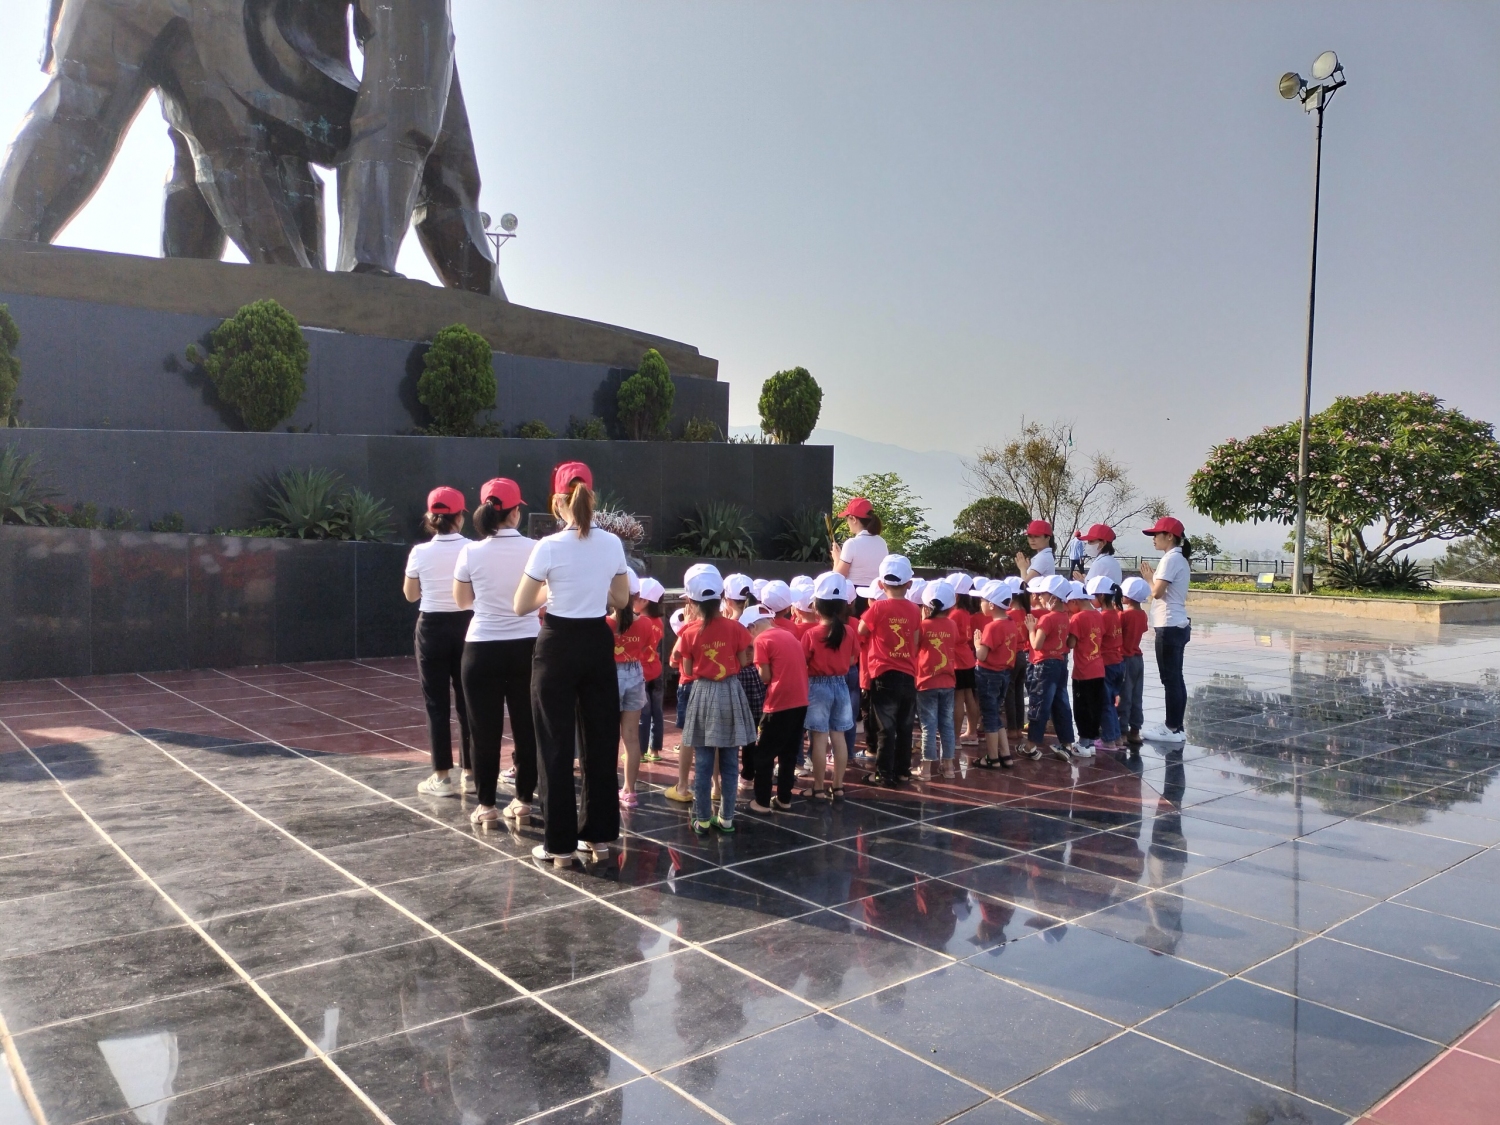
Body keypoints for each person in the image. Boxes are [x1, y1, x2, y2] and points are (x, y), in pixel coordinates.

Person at [512, 461, 631, 868]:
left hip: (558, 644)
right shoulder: (612, 544)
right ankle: (598, 837)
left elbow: (521, 604)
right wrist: (592, 587)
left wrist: (552, 588)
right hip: (596, 642)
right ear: (592, 498)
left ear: (557, 501)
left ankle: (559, 846)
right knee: (600, 741)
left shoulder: (547, 546)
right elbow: (621, 600)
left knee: (555, 744)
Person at [453, 478, 540, 826]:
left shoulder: (470, 551)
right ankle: (523, 800)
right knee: (528, 727)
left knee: (482, 730)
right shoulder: (536, 548)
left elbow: (462, 601)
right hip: (528, 646)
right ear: (516, 512)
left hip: (481, 648)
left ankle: (486, 805)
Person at [404, 486, 474, 797]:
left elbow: (410, 595)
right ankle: (471, 773)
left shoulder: (419, 552)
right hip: (468, 625)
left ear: (431, 518)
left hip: (431, 627)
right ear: (461, 516)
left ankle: (442, 777)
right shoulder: (472, 548)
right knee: (468, 700)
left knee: (436, 703)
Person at [678, 567, 756, 835]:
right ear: (722, 597)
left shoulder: (688, 632)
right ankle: (727, 818)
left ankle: (701, 819)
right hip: (731, 691)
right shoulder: (735, 628)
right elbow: (744, 658)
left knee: (703, 761)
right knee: (731, 760)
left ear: (691, 602)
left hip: (702, 693)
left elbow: (687, 669)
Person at [859, 555, 922, 785]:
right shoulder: (914, 610)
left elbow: (861, 630)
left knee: (885, 727)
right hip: (908, 674)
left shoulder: (877, 608)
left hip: (883, 674)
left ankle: (884, 774)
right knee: (905, 726)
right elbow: (916, 641)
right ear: (909, 584)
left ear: (880, 584)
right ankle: (903, 771)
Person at [745, 603, 809, 812]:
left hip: (778, 703)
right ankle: (784, 799)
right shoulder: (789, 635)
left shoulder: (762, 640)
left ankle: (762, 801)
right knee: (788, 754)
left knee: (764, 754)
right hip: (800, 700)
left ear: (753, 627)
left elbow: (765, 676)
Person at [802, 572, 859, 799]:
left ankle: (818, 788)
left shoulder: (811, 634)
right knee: (839, 737)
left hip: (817, 687)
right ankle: (838, 786)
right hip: (841, 685)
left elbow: (803, 662)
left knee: (818, 738)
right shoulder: (850, 632)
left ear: (816, 606)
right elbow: (853, 660)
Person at [1140, 517, 1191, 743]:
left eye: (1156, 534)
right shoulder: (1177, 558)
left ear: (1170, 536)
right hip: (1175, 623)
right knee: (1175, 678)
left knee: (1170, 679)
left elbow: (1157, 592)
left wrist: (1149, 578)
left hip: (1169, 625)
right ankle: (1176, 727)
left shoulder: (1170, 559)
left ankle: (1171, 728)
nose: (1153, 539)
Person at [1022, 575, 1077, 762]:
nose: (1039, 597)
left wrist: (1031, 628)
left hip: (1044, 665)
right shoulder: (1065, 617)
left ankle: (1031, 745)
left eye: (1042, 594)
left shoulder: (1047, 619)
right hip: (1060, 663)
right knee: (1061, 703)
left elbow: (1036, 645)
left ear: (1053, 597)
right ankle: (1067, 744)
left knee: (1039, 704)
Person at [972, 579, 1024, 769]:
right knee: (995, 713)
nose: (981, 604)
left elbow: (982, 655)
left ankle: (992, 757)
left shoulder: (992, 627)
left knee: (989, 716)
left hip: (988, 674)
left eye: (983, 601)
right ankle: (1005, 754)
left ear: (992, 605)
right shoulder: (1010, 623)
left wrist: (977, 644)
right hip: (1004, 674)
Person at [611, 570, 650, 808]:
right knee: (631, 737)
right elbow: (644, 648)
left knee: (607, 737)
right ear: (636, 596)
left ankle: (605, 787)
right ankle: (629, 790)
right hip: (635, 674)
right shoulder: (645, 623)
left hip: (609, 675)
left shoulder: (605, 623)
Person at [915, 579, 960, 779]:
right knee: (947, 725)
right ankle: (949, 767)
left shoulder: (923, 626)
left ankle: (925, 769)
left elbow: (914, 648)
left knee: (928, 726)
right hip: (948, 681)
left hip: (926, 682)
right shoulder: (952, 625)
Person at [1067, 580, 1105, 758]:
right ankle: (1090, 742)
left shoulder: (1077, 618)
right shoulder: (1098, 615)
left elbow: (1071, 643)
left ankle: (1083, 742)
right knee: (1095, 706)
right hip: (1098, 669)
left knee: (1082, 707)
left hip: (1083, 671)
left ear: (1074, 601)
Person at [662, 605, 696, 803]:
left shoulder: (687, 633)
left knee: (688, 737)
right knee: (713, 737)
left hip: (689, 684)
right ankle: (716, 787)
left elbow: (674, 660)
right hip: (713, 684)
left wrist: (686, 629)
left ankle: (682, 786)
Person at [945, 573, 982, 751]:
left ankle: (955, 738)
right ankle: (972, 732)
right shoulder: (966, 613)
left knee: (958, 698)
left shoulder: (954, 614)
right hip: (967, 658)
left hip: (958, 660)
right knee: (969, 696)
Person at [1090, 574, 1126, 753]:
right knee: (1111, 702)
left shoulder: (1102, 617)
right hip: (1118, 663)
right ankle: (1117, 738)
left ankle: (1109, 740)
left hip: (1106, 664)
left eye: (1093, 596)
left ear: (1101, 596)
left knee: (1105, 703)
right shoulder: (1115, 614)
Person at [636, 578, 667, 764]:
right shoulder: (658, 622)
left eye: (635, 597)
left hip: (641, 672)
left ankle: (639, 752)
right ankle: (654, 750)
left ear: (645, 600)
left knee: (643, 713)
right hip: (656, 669)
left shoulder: (639, 622)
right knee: (657, 711)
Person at [1119, 577, 1151, 753]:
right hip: (1138, 659)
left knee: (1124, 696)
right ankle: (1135, 731)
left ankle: (1122, 732)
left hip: (1125, 659)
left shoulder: (1124, 615)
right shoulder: (1142, 615)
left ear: (1128, 597)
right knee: (1137, 696)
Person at [831, 497, 889, 593]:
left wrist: (836, 559)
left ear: (853, 519)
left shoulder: (852, 543)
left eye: (847, 519)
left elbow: (837, 578)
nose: (847, 523)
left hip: (854, 595)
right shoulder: (882, 542)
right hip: (876, 594)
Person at [1079, 524, 1124, 589]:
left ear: (1103, 543)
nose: (1088, 544)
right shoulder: (1114, 562)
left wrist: (1081, 581)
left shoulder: (1099, 563)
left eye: (1091, 541)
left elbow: (1090, 588)